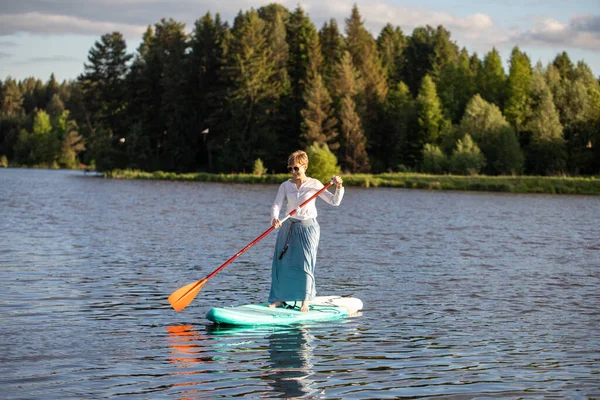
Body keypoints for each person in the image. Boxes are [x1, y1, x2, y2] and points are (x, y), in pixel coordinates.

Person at [268, 150, 344, 312]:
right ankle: (279, 299)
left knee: (305, 264)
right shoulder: (285, 186)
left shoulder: (314, 184)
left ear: (304, 166)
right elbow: (277, 205)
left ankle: (305, 301)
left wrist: (338, 186)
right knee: (281, 263)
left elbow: (334, 201)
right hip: (288, 226)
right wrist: (275, 218)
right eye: (290, 169)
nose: (293, 172)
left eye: (296, 168)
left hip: (308, 228)